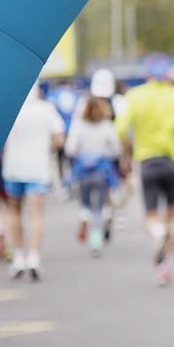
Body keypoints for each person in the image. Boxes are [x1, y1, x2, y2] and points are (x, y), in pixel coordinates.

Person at [118, 53, 174, 285]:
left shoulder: (134, 96)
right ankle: (167, 265)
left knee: (151, 215)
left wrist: (127, 151)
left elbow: (120, 129)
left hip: (147, 160)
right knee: (173, 212)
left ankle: (158, 244)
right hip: (173, 161)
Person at [1, 85, 65, 281]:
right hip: (38, 169)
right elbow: (60, 140)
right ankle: (34, 257)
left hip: (13, 168)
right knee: (36, 214)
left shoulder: (9, 109)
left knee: (14, 211)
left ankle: (18, 256)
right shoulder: (46, 110)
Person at [64, 91, 122, 256]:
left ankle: (84, 217)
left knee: (85, 202)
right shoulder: (107, 126)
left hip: (83, 171)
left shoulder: (78, 125)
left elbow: (70, 149)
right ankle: (95, 241)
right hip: (101, 171)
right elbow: (116, 149)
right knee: (100, 206)